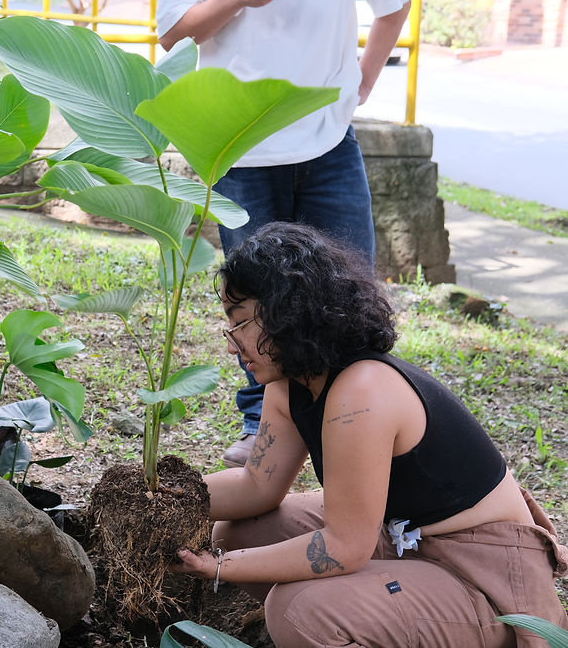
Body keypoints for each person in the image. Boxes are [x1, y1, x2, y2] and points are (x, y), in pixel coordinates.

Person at [172, 222, 568, 646]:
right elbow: (256, 486)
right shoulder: (291, 384)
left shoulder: (361, 391)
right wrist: (163, 496)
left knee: (298, 610)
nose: (232, 345)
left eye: (239, 323)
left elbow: (344, 546)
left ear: (285, 310)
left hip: (482, 575)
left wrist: (220, 567)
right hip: (398, 538)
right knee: (241, 531)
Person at [156, 0, 412, 467]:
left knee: (352, 295)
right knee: (257, 303)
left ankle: (359, 420)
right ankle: (263, 425)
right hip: (238, 144)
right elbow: (173, 32)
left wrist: (364, 78)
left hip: (330, 141)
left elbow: (395, 4)